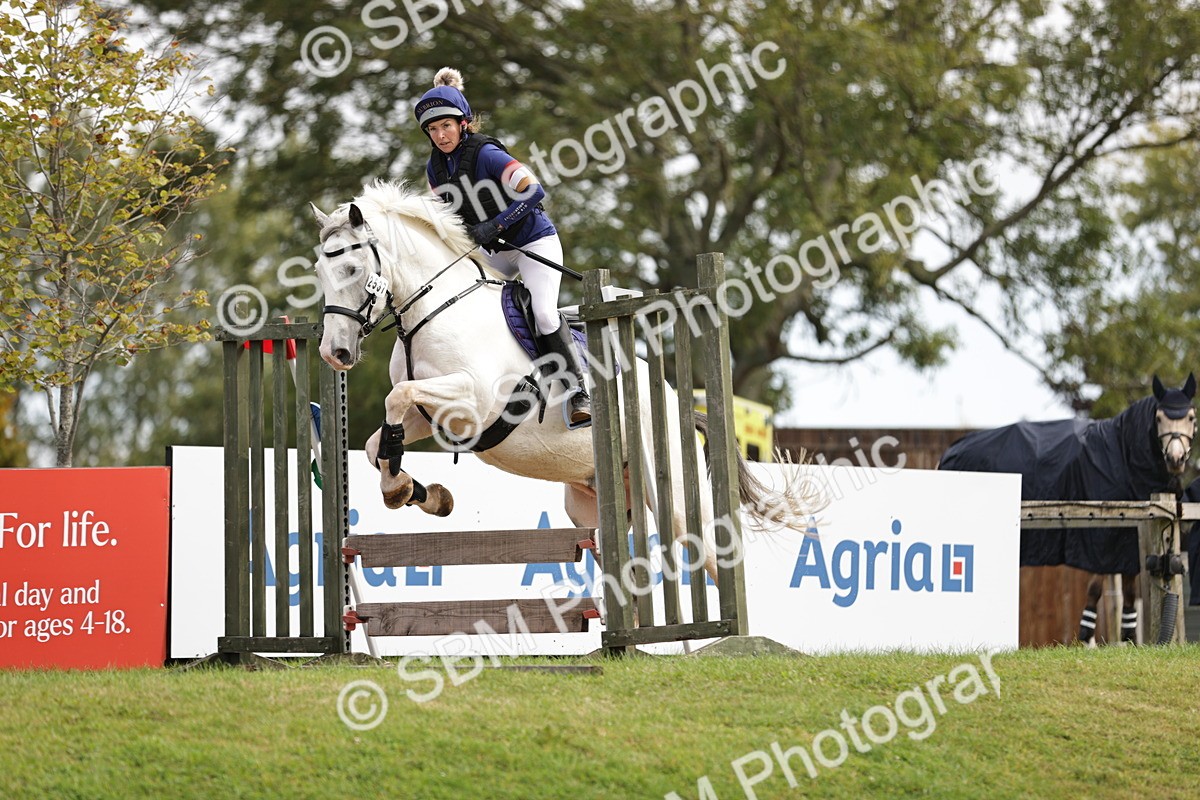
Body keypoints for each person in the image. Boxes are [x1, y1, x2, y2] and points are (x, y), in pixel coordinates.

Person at [413, 67, 590, 427]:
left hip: (533, 241)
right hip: (494, 251)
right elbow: (447, 215)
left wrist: (496, 224)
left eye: (446, 126)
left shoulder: (487, 154)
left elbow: (534, 191)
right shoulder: (435, 168)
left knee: (543, 314)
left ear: (462, 124)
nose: (440, 135)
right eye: (432, 129)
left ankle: (578, 391)